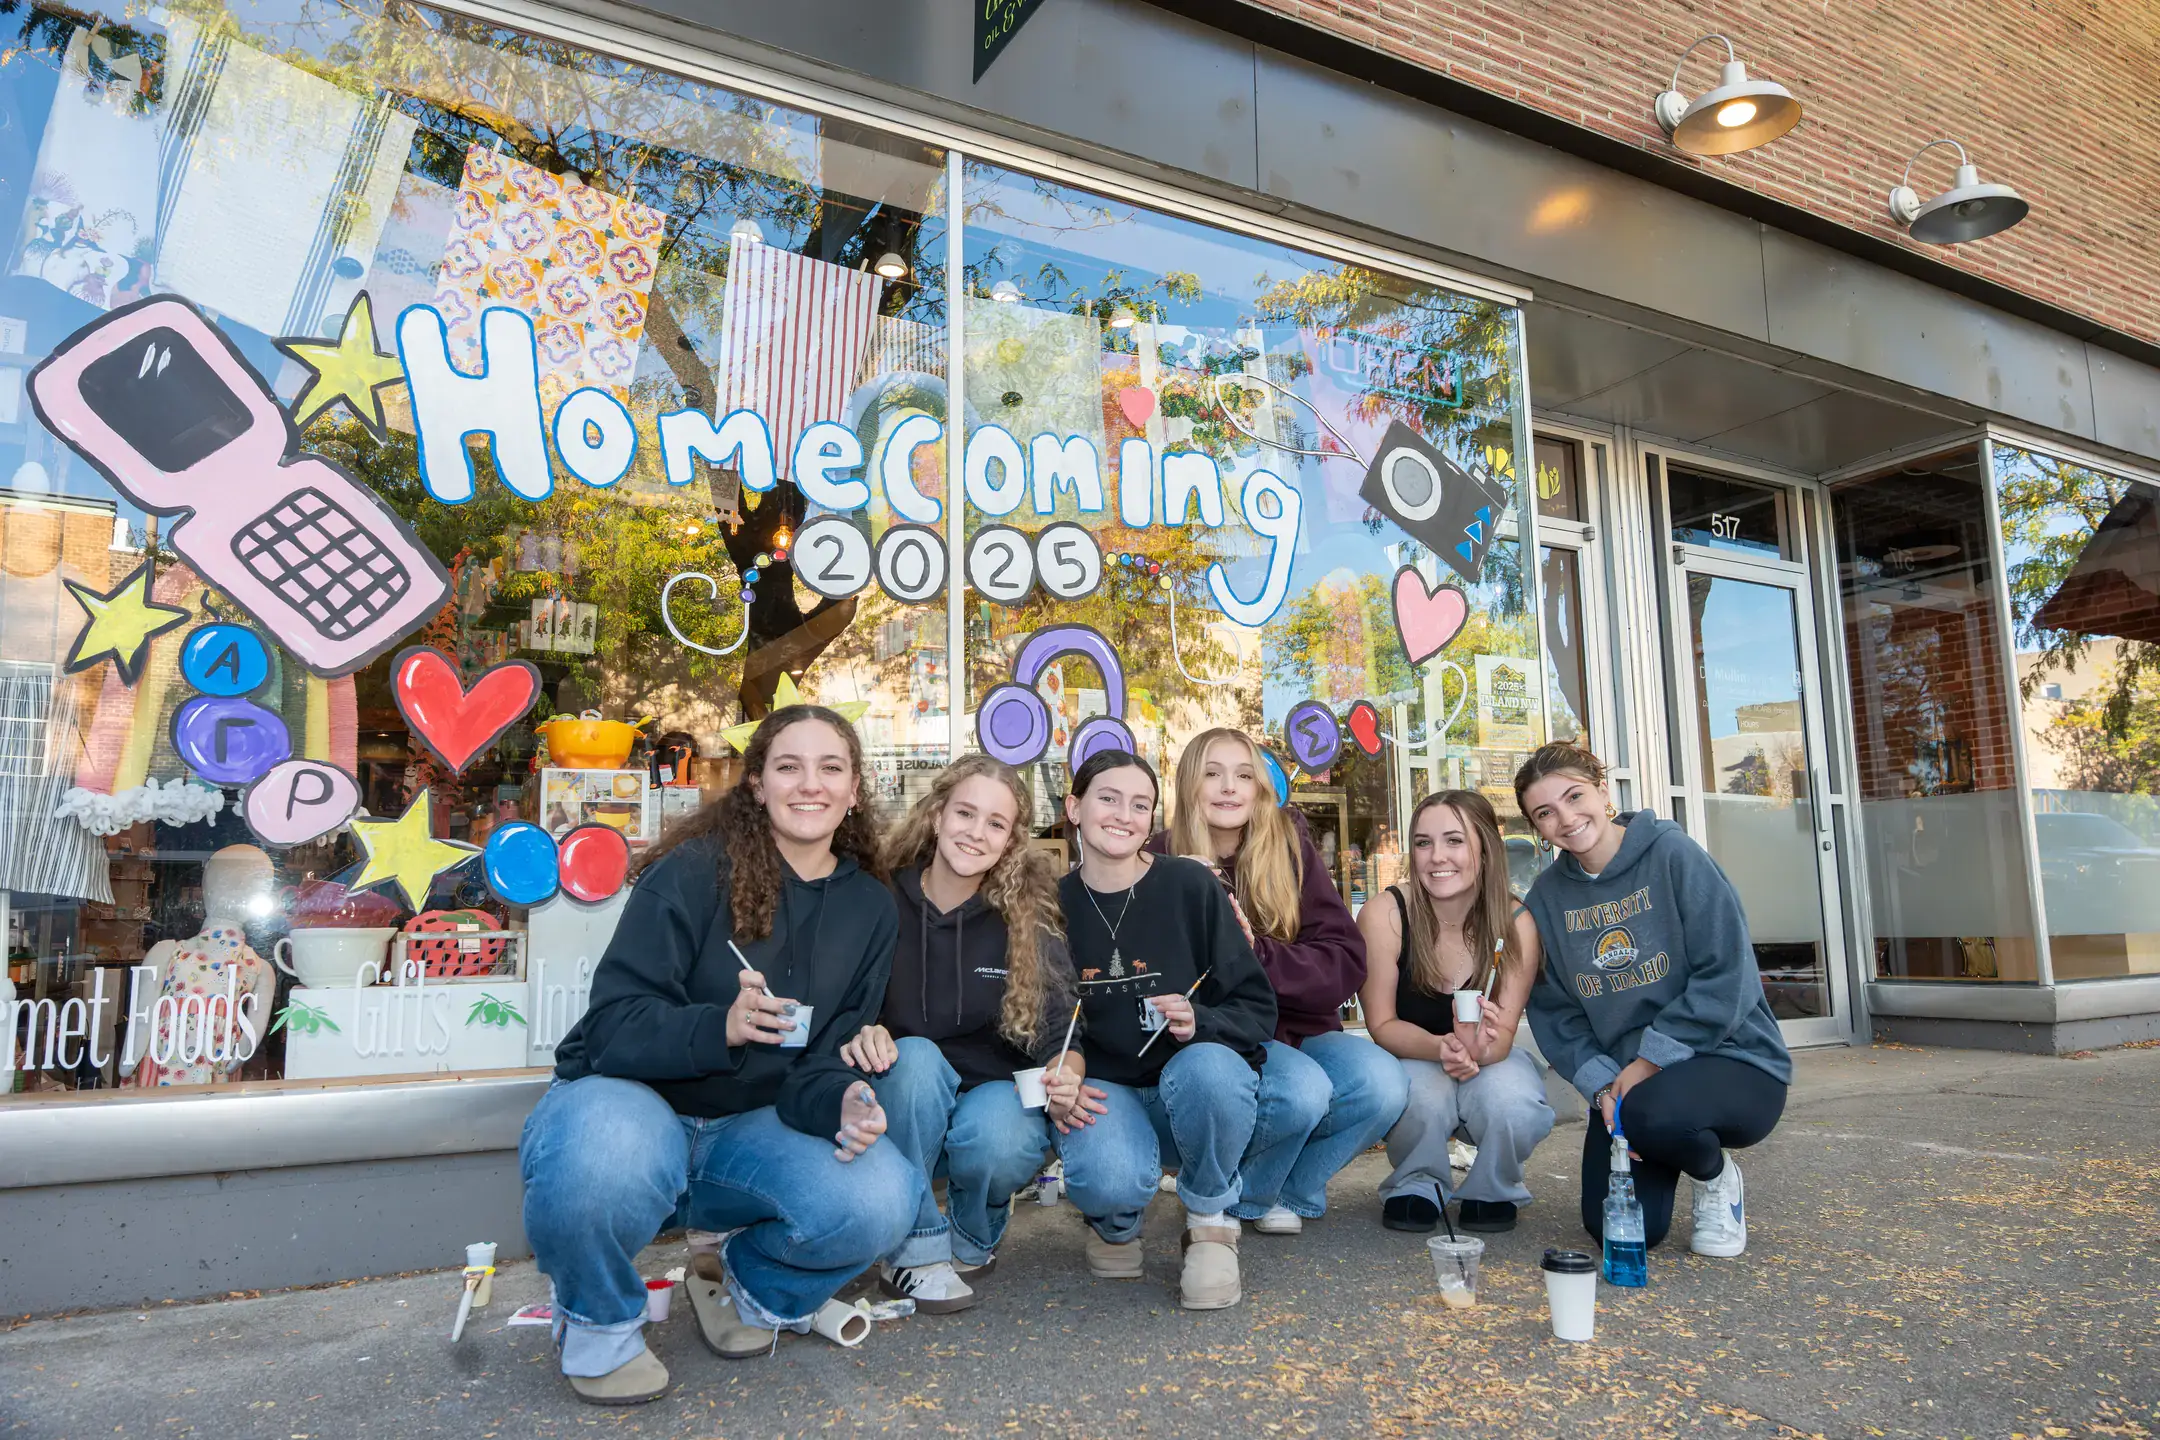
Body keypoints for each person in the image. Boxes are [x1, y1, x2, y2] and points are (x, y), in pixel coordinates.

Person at [518, 705, 918, 1406]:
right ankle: (599, 1324)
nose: (810, 784)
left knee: (885, 1196)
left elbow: (821, 1061)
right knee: (601, 1157)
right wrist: (722, 1027)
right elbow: (610, 1027)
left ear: (855, 789)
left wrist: (844, 1100)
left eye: (830, 768)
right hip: (637, 1104)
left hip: (749, 1131)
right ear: (757, 784)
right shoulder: (693, 870)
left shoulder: (871, 908)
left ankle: (744, 1282)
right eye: (788, 766)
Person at [1514, 741, 1792, 1256]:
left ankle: (1715, 1176)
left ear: (1603, 791)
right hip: (1629, 1085)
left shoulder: (1672, 854)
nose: (1566, 818)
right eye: (1545, 813)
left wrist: (1649, 1061)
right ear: (1537, 827)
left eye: (1574, 797)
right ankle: (1661, 1132)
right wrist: (1601, 1084)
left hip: (1732, 1060)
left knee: (1652, 1113)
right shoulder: (1547, 900)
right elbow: (1555, 1012)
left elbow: (1726, 971)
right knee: (1618, 1231)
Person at [838, 755, 1076, 1314]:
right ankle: (914, 1250)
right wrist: (860, 1030)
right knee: (917, 1058)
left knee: (1002, 1136)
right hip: (900, 1092)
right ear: (937, 814)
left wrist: (1066, 1072)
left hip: (989, 1092)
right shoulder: (878, 897)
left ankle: (973, 1229)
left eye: (996, 823)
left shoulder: (1025, 915)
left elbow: (1061, 1030)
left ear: (1011, 840)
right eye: (965, 813)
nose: (975, 832)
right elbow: (838, 1000)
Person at [1051, 749, 1278, 1311]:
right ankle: (1115, 1222)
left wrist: (1200, 1020)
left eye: (1140, 805)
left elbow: (1256, 1008)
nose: (1124, 815)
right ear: (1074, 808)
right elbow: (1041, 1017)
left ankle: (1209, 1222)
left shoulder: (1189, 885)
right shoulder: (1051, 904)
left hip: (1189, 1084)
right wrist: (1062, 1073)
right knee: (1109, 1178)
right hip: (1106, 1090)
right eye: (1108, 799)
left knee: (1214, 1068)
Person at [1157, 727, 1406, 1235]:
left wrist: (1257, 954)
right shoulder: (1160, 857)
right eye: (1212, 773)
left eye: (1244, 775)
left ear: (1261, 787)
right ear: (1188, 785)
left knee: (1382, 1083)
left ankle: (1274, 1190)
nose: (1229, 787)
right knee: (1299, 1090)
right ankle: (1231, 1193)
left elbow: (1343, 960)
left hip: (1296, 1026)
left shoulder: (1290, 846)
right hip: (1216, 1038)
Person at [1358, 790, 1555, 1234]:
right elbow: (1382, 1024)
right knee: (1420, 1096)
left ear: (1484, 848)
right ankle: (1417, 1182)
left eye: (1454, 840)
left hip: (1488, 1057)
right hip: (1414, 1051)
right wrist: (1440, 1047)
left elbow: (1503, 1038)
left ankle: (1494, 1188)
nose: (1436, 857)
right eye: (1423, 842)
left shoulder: (1516, 922)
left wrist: (1479, 1048)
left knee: (1515, 1103)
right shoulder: (1386, 913)